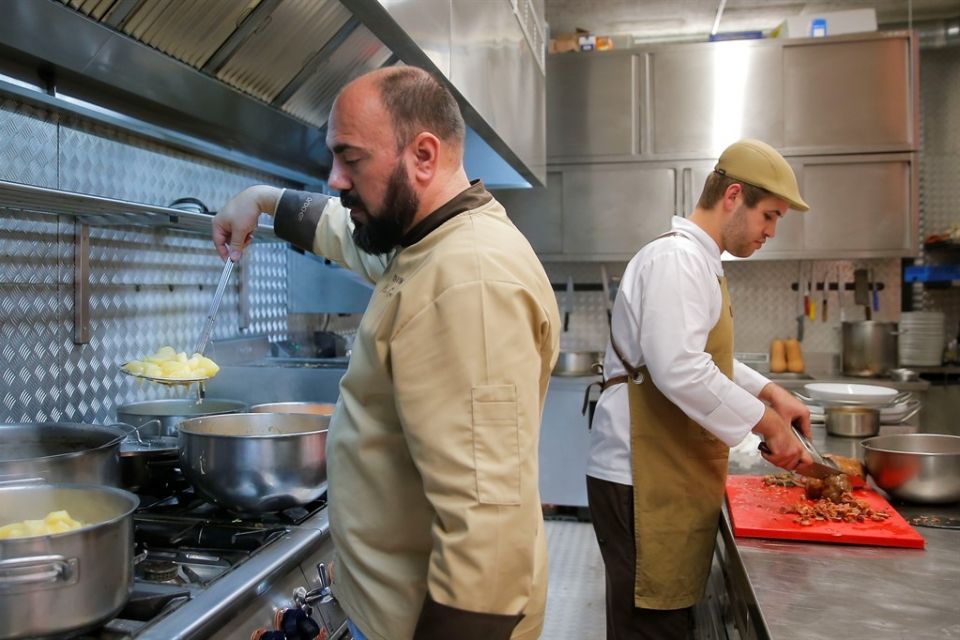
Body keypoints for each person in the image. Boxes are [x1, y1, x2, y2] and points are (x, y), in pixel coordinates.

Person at [212, 67, 559, 640]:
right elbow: (350, 237)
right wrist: (263, 200)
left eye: (351, 159)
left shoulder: (470, 284)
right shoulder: (429, 240)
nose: (334, 179)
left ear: (423, 155)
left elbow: (490, 535)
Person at [586, 139, 814, 639]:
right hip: (639, 478)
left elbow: (699, 356)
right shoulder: (677, 260)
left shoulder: (699, 261)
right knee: (649, 627)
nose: (771, 232)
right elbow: (681, 368)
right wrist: (768, 424)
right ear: (733, 196)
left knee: (663, 619)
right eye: (769, 216)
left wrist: (769, 391)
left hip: (661, 473)